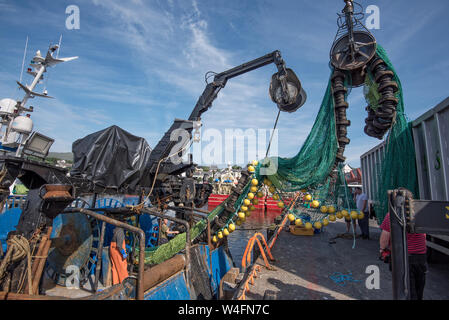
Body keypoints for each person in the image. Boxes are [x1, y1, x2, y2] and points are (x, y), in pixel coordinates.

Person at [379, 201, 427, 300]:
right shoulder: (420, 213)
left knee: (406, 290)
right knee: (419, 290)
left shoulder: (392, 215)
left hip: (403, 258)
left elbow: (384, 237)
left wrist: (382, 249)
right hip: (421, 257)